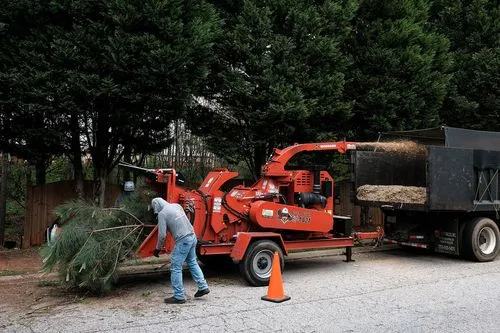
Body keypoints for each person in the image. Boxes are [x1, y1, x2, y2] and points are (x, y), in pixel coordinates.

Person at [151, 197, 210, 304]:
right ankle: (203, 286)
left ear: (156, 205)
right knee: (192, 262)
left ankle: (179, 296)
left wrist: (157, 248)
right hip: (192, 237)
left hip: (183, 240)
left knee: (175, 267)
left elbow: (162, 235)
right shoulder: (176, 206)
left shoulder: (162, 214)